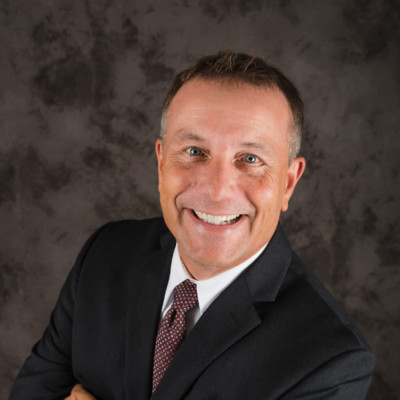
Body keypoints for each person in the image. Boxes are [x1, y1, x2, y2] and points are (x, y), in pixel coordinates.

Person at [10, 51, 374, 400]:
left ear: (288, 183)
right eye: (194, 152)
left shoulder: (329, 359)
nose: (216, 190)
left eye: (250, 159)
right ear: (161, 163)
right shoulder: (105, 254)